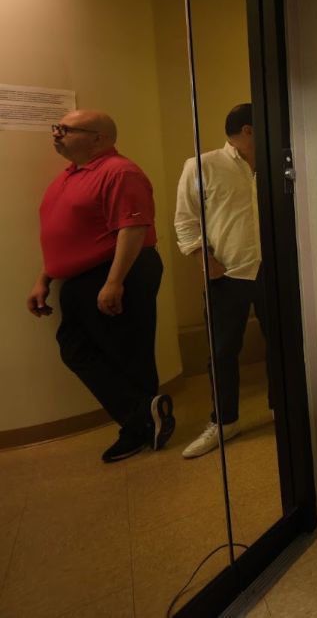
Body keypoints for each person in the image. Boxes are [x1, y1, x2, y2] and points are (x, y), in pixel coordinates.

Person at [26, 110, 175, 463]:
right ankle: (144, 415)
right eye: (56, 128)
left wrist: (114, 282)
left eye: (66, 129)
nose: (56, 134)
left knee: (126, 353)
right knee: (76, 348)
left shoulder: (120, 171)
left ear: (99, 138)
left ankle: (140, 426)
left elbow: (133, 229)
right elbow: (65, 236)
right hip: (82, 278)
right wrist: (43, 278)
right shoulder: (69, 176)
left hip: (116, 272)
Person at [174, 103, 263, 459]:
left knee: (284, 343)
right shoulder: (202, 165)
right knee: (222, 351)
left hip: (273, 270)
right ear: (248, 130)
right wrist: (203, 258)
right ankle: (224, 421)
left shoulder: (276, 163)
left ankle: (282, 409)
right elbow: (185, 219)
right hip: (227, 273)